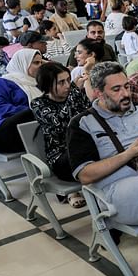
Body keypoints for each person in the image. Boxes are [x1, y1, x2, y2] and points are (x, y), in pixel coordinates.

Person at [67, 62, 138, 225]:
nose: (126, 94)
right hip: (117, 195)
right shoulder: (83, 123)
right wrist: (130, 154)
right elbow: (84, 175)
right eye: (116, 89)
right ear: (99, 93)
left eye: (127, 86)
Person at [31, 62, 91, 201]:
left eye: (69, 80)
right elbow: (61, 125)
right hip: (61, 156)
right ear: (47, 85)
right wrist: (74, 92)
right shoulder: (39, 104)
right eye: (61, 82)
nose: (67, 85)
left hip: (84, 147)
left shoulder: (75, 96)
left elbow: (90, 115)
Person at [0, 49, 43, 152]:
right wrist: (31, 110)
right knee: (37, 110)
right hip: (6, 129)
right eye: (36, 63)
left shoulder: (38, 83)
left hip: (32, 126)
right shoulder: (2, 83)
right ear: (24, 63)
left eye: (41, 62)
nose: (40, 66)